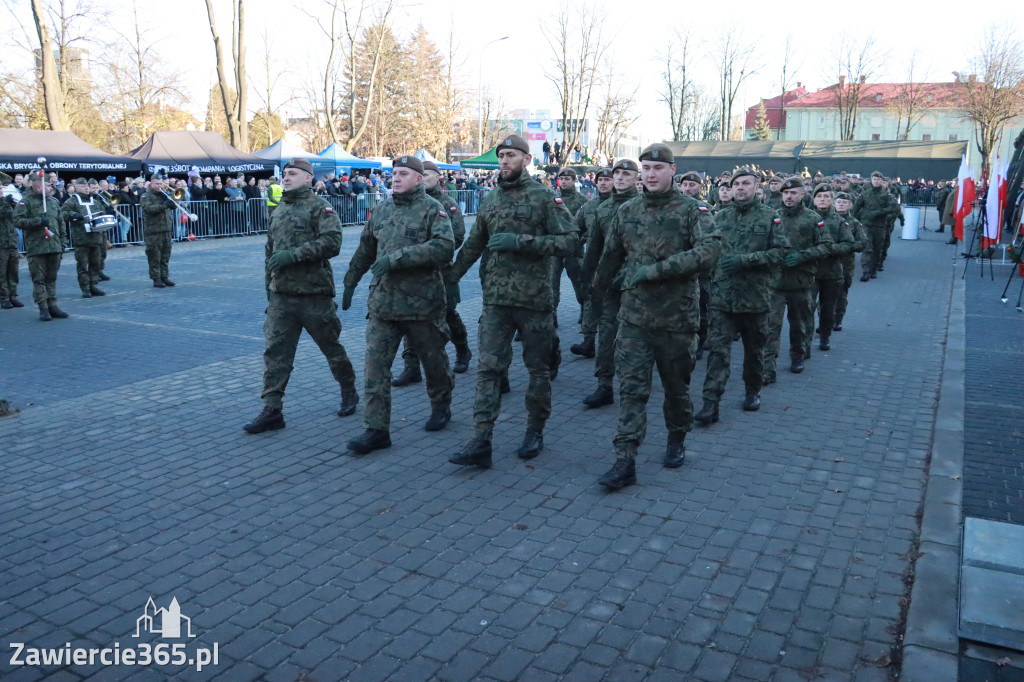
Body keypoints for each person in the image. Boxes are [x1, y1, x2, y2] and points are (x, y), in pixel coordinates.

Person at [593, 144, 721, 489]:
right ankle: (625, 459)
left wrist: (655, 271)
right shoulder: (628, 210)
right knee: (632, 390)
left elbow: (710, 251)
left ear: (672, 170)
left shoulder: (693, 210)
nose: (650, 174)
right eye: (646, 168)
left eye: (657, 168)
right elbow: (610, 257)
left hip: (676, 320)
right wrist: (595, 297)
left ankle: (677, 437)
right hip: (634, 317)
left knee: (676, 389)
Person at [446, 135, 577, 467]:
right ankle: (481, 440)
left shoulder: (545, 197)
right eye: (501, 156)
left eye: (511, 156)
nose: (504, 161)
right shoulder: (490, 199)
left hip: (534, 301)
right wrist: (451, 280)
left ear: (527, 159)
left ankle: (534, 431)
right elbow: (474, 245)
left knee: (537, 371)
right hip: (496, 302)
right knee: (487, 370)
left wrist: (522, 241)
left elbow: (571, 241)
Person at [342, 155, 455, 454]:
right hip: (383, 305)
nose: (396, 178)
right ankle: (376, 430)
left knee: (434, 362)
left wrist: (398, 259)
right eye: (394, 174)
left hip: (421, 304)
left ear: (419, 179)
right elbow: (366, 248)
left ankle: (441, 405)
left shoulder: (433, 209)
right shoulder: (382, 209)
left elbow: (444, 247)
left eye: (403, 174)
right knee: (375, 368)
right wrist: (350, 280)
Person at [243, 158, 359, 434]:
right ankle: (272, 409)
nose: (286, 177)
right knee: (276, 354)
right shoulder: (280, 208)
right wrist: (269, 290)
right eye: (284, 173)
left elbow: (333, 243)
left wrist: (292, 256)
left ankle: (349, 390)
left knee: (331, 348)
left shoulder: (320, 207)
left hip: (313, 294)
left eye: (293, 173)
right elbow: (270, 253)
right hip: (282, 296)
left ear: (308, 178)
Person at [695, 168, 789, 424]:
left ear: (757, 186)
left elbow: (781, 253)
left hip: (755, 298)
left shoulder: (771, 217)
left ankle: (752, 390)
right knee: (717, 352)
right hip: (722, 297)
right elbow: (707, 248)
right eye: (736, 184)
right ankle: (710, 402)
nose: (740, 188)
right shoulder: (720, 216)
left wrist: (747, 260)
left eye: (746, 183)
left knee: (754, 351)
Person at [391, 159, 472, 384]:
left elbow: (456, 237)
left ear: (438, 178)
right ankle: (411, 366)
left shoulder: (447, 203)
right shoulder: (403, 202)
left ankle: (463, 350)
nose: (424, 178)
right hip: (409, 271)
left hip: (439, 271)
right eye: (422, 174)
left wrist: (427, 253)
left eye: (428, 175)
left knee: (447, 313)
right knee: (409, 316)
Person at [579, 159, 640, 408]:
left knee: (636, 338)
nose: (621, 178)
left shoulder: (643, 207)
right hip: (608, 284)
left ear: (637, 177)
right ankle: (604, 385)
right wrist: (588, 280)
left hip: (638, 284)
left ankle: (635, 385)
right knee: (607, 334)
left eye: (627, 174)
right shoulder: (603, 209)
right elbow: (593, 250)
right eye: (618, 174)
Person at [762, 177, 831, 383]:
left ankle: (798, 355)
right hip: (775, 282)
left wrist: (803, 256)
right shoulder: (773, 216)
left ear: (803, 194)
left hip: (801, 283)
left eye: (793, 193)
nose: (789, 196)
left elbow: (826, 245)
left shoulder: (813, 219)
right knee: (770, 326)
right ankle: (768, 367)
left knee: (799, 324)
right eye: (785, 193)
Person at [569, 168, 613, 359]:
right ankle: (588, 340)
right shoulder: (588, 207)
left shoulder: (628, 205)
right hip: (593, 264)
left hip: (617, 266)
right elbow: (575, 231)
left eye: (607, 179)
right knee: (590, 300)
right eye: (600, 180)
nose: (603, 183)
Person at [13, 173, 69, 321]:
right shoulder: (26, 202)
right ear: (37, 184)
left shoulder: (52, 202)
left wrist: (63, 241)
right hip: (37, 246)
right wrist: (38, 221)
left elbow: (60, 222)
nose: (51, 187)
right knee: (39, 279)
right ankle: (43, 307)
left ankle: (53, 305)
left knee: (52, 277)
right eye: (47, 184)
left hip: (54, 245)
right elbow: (17, 221)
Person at [810, 184, 854, 352]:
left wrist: (832, 249)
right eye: (819, 196)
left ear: (832, 200)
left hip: (832, 272)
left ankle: (825, 336)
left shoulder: (839, 221)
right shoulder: (808, 218)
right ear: (814, 199)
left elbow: (849, 243)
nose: (823, 200)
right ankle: (805, 340)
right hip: (810, 272)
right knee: (807, 308)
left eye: (826, 197)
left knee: (828, 308)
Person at [550, 167, 588, 335]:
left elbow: (587, 225)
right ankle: (552, 316)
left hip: (574, 250)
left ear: (574, 181)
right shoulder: (552, 198)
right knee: (551, 284)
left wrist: (580, 240)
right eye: (562, 179)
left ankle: (584, 310)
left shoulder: (581, 201)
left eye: (568, 179)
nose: (564, 182)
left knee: (580, 283)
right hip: (555, 248)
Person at [61, 178, 108, 298]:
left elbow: (102, 214)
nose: (86, 188)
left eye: (87, 186)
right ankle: (85, 287)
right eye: (82, 186)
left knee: (96, 263)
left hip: (96, 237)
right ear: (76, 188)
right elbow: (62, 213)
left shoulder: (96, 201)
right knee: (82, 264)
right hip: (81, 238)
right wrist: (74, 215)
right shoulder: (72, 201)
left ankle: (93, 285)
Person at [852, 171, 900, 281]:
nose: (876, 181)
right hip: (867, 225)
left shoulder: (886, 195)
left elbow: (895, 208)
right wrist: (854, 221)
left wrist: (880, 212)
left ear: (882, 181)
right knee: (867, 248)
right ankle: (865, 271)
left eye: (878, 179)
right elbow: (856, 208)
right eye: (874, 179)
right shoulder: (865, 193)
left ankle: (873, 270)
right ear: (871, 180)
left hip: (880, 226)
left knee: (877, 249)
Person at [833, 191, 866, 331]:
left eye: (844, 202)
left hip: (845, 264)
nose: (841, 204)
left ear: (850, 205)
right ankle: (825, 320)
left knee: (841, 293)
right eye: (839, 202)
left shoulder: (854, 223)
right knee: (825, 295)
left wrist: (847, 247)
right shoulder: (827, 220)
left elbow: (862, 242)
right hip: (827, 263)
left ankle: (838, 319)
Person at [140, 176, 177, 288]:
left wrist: (172, 202)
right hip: (153, 231)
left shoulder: (164, 194)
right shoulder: (146, 196)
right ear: (151, 184)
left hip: (165, 230)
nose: (159, 186)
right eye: (156, 184)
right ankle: (156, 278)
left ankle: (164, 276)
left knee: (165, 255)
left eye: (161, 184)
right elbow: (148, 209)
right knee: (154, 256)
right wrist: (164, 204)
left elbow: (173, 206)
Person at [0, 186, 24, 309]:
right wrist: (5, 204)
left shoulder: (6, 202)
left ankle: (13, 296)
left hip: (12, 242)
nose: (1, 191)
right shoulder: (4, 203)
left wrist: (15, 205)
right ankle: (4, 297)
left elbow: (14, 216)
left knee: (13, 271)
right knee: (2, 273)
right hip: (1, 244)